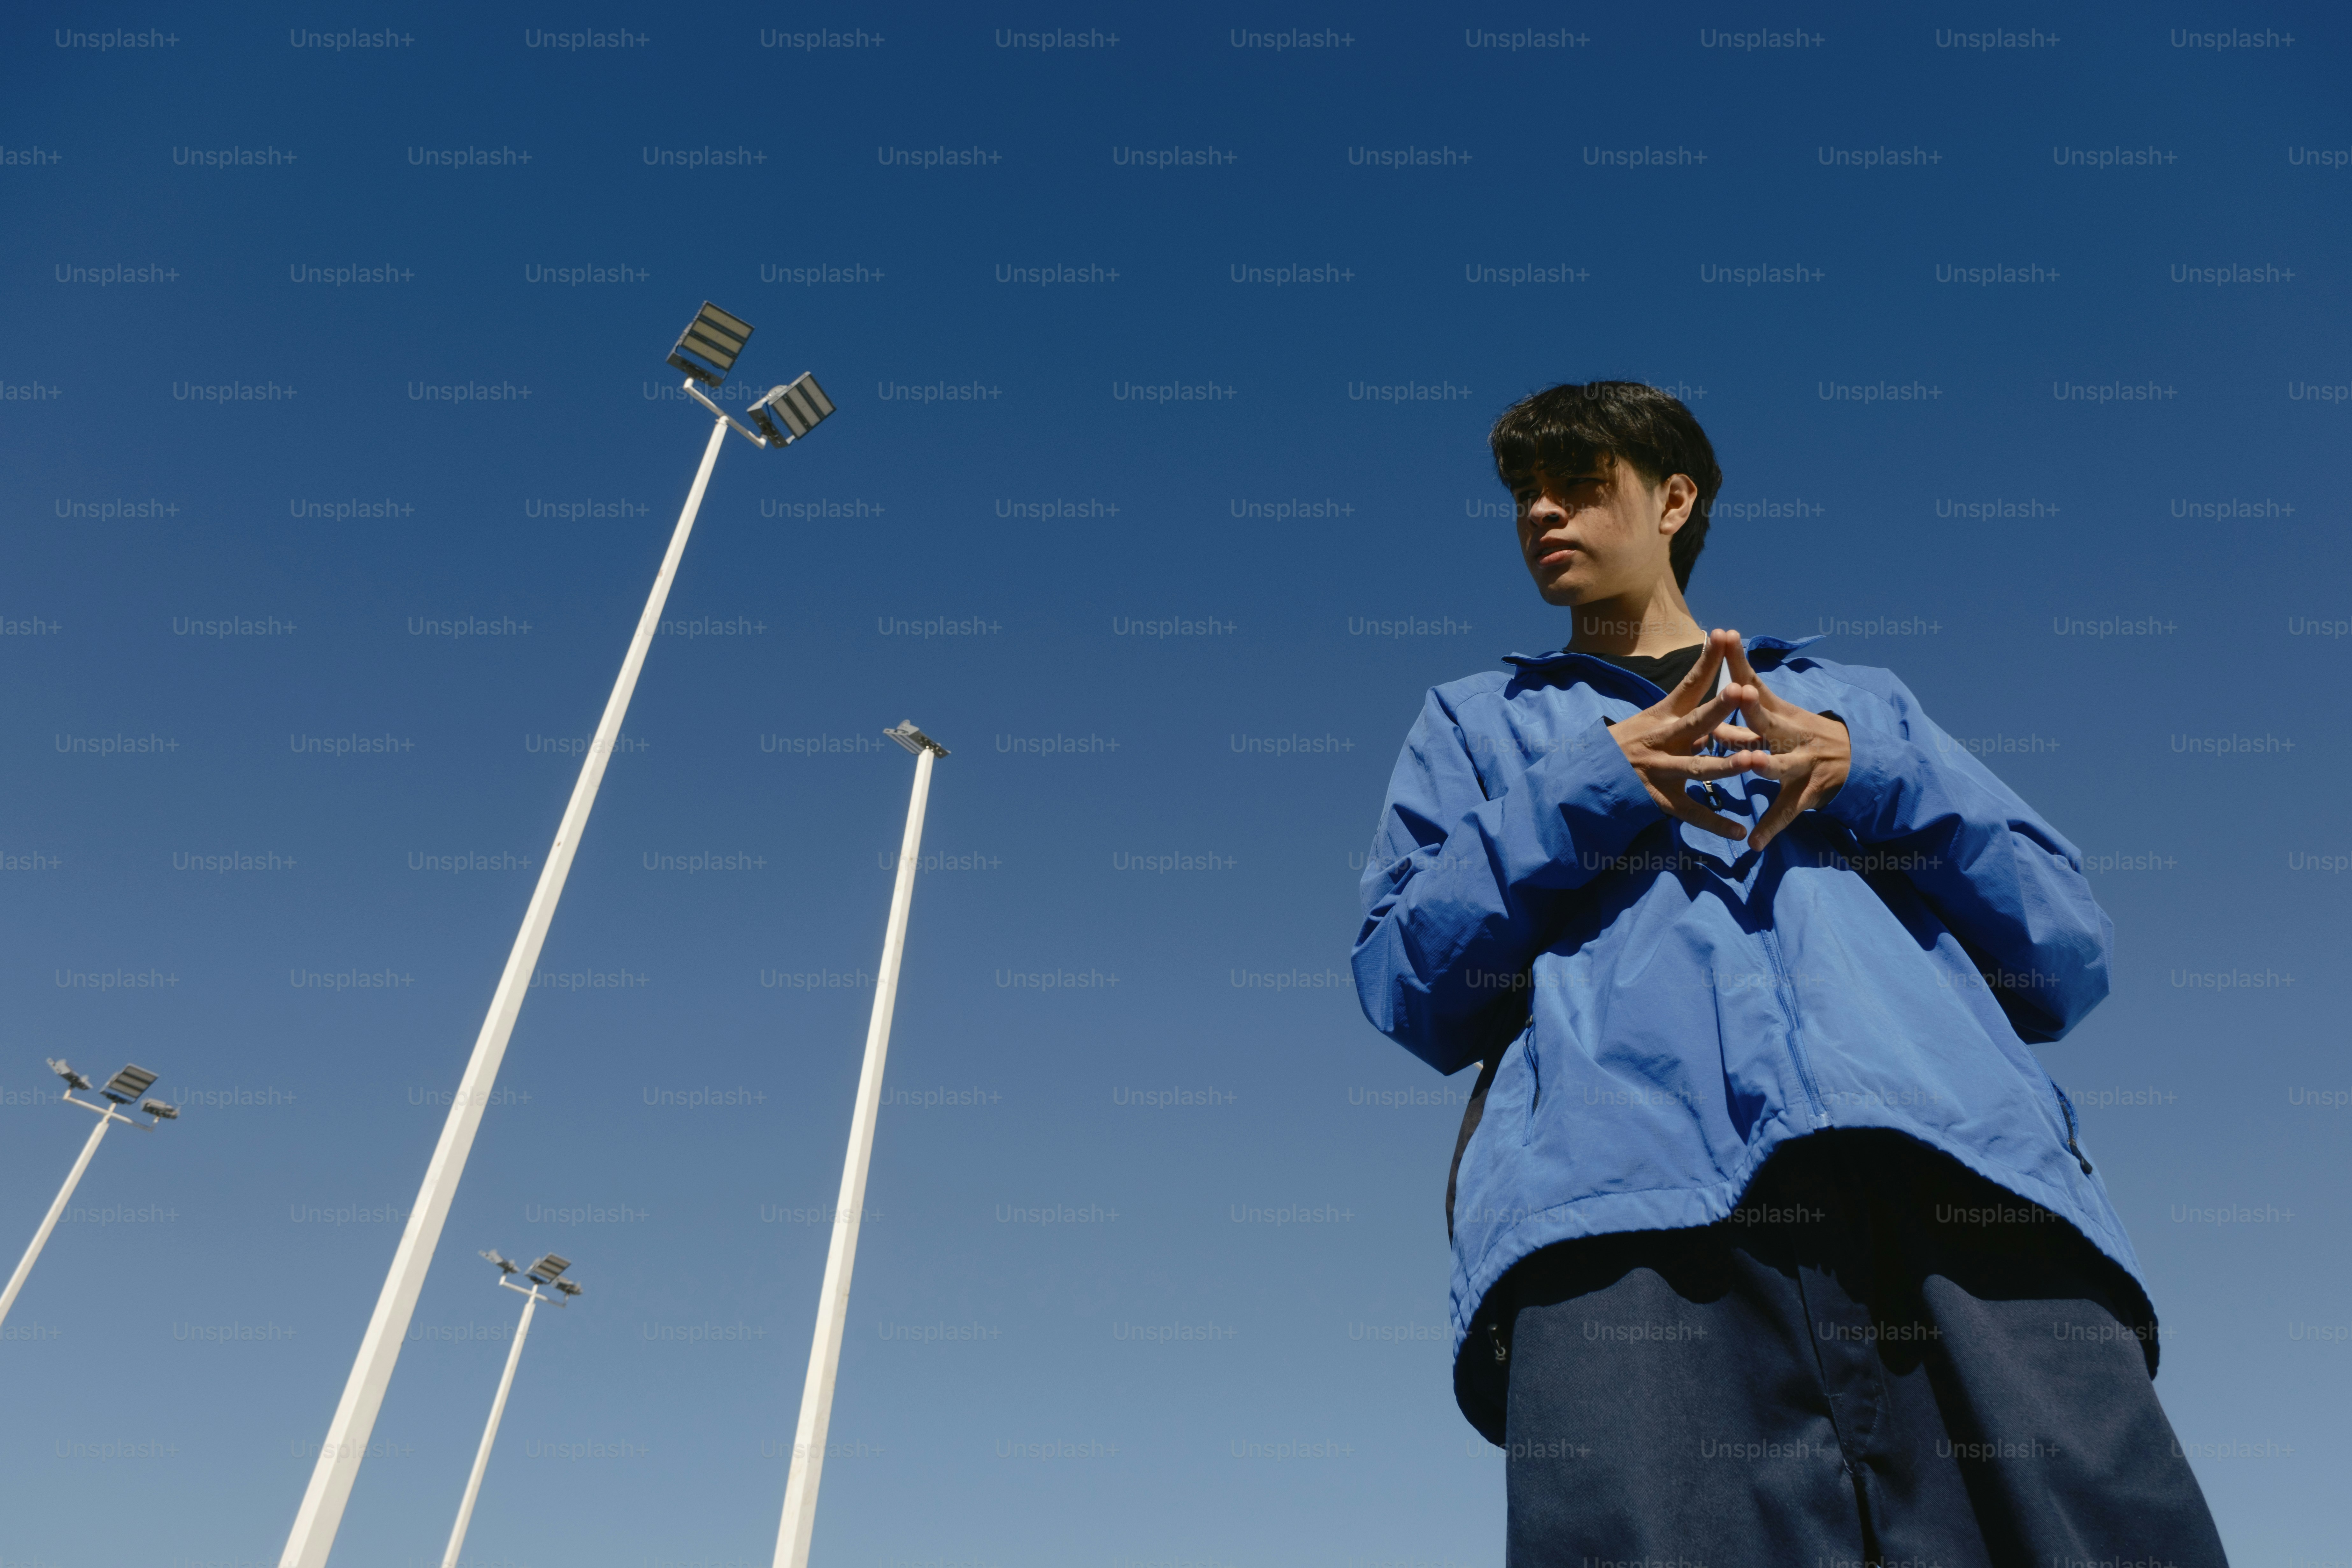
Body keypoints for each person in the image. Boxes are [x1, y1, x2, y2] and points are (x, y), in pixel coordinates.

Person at [1350, 382, 2227, 1566]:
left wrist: (1875, 774)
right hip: (1628, 1231)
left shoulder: (1852, 705)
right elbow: (1410, 984)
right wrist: (1591, 788)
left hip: (1964, 1197)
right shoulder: (1475, 725)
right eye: (1522, 494)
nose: (1540, 512)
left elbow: (2066, 955)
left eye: (1576, 482)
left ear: (1674, 498)